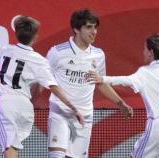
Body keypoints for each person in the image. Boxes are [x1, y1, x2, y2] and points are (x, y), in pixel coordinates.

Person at [46, 9, 133, 158]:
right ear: (76, 29)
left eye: (95, 27)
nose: (94, 32)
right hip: (60, 113)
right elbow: (45, 80)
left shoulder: (98, 55)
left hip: (85, 117)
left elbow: (101, 83)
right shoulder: (57, 52)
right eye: (88, 27)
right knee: (57, 156)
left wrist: (120, 103)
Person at [0, 15, 84, 158]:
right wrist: (74, 109)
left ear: (16, 32)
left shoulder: (3, 51)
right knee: (14, 147)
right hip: (25, 105)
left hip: (6, 103)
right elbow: (53, 87)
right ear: (35, 37)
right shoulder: (39, 61)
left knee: (9, 147)